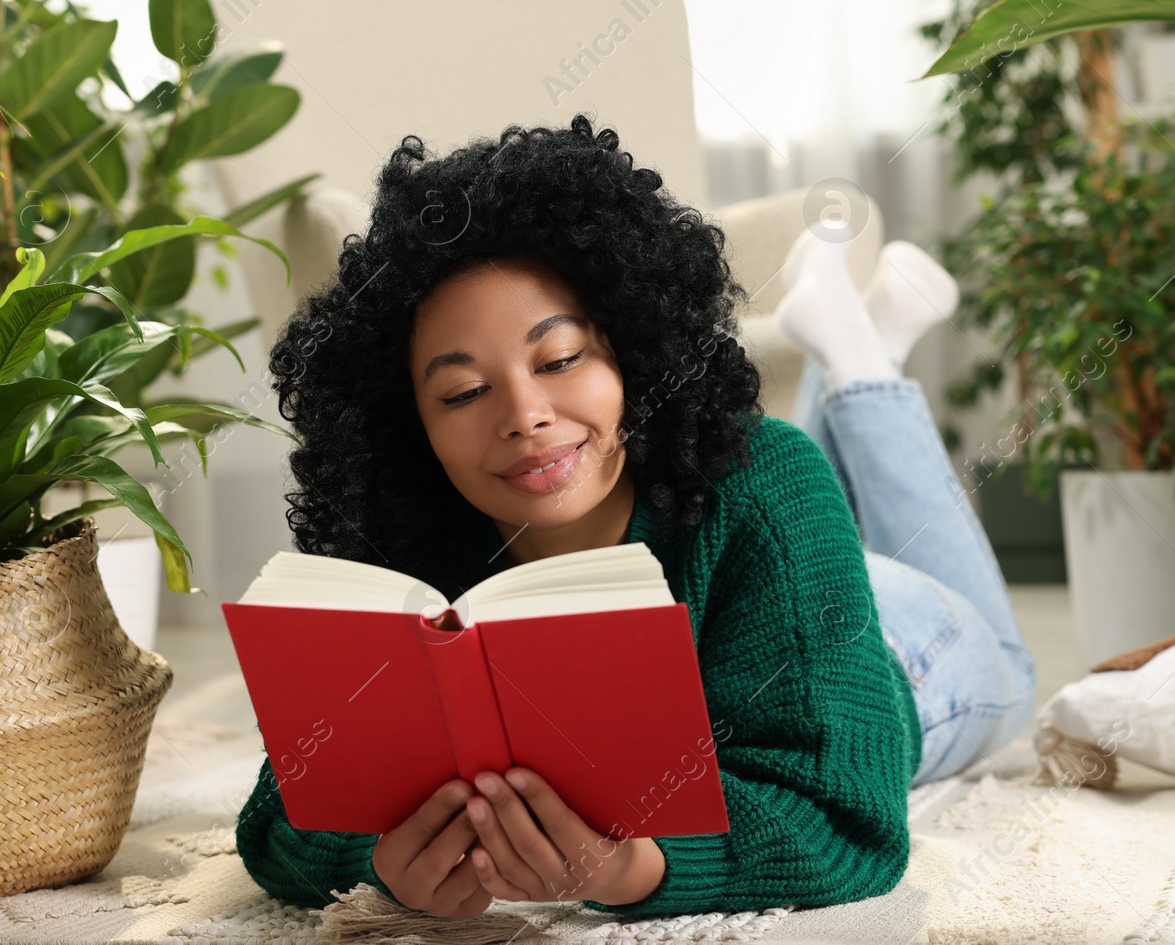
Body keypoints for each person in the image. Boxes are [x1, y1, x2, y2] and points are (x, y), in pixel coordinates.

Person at [234, 113, 1031, 922]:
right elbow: (279, 812)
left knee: (1014, 664)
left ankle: (862, 358)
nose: (524, 415)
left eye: (560, 358)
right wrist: (376, 857)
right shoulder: (413, 548)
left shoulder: (768, 482)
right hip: (792, 571)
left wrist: (629, 869)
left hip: (918, 655)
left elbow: (846, 822)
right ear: (411, 423)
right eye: (464, 392)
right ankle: (856, 336)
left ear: (632, 346)